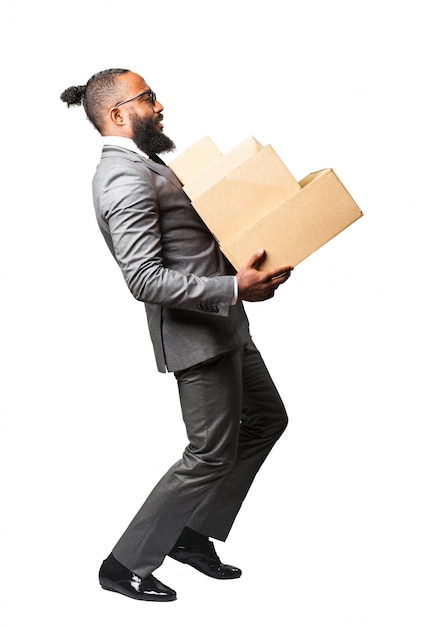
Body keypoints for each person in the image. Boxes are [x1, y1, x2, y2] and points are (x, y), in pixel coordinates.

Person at [60, 68, 293, 603]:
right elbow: (144, 279)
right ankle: (124, 565)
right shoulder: (122, 177)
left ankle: (190, 535)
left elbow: (189, 244)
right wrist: (236, 286)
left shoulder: (149, 163)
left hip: (226, 325)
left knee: (267, 418)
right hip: (198, 337)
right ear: (117, 114)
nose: (160, 106)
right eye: (148, 98)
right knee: (208, 453)